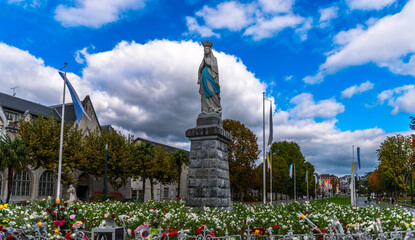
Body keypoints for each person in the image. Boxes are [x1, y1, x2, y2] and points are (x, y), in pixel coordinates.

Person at [198, 40, 221, 114]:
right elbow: (200, 68)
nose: (205, 50)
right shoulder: (203, 59)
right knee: (205, 93)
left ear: (210, 50)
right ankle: (207, 108)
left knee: (212, 91)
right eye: (204, 50)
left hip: (211, 75)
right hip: (204, 75)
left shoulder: (214, 59)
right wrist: (199, 77)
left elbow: (215, 68)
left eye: (207, 49)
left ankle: (215, 107)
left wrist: (207, 63)